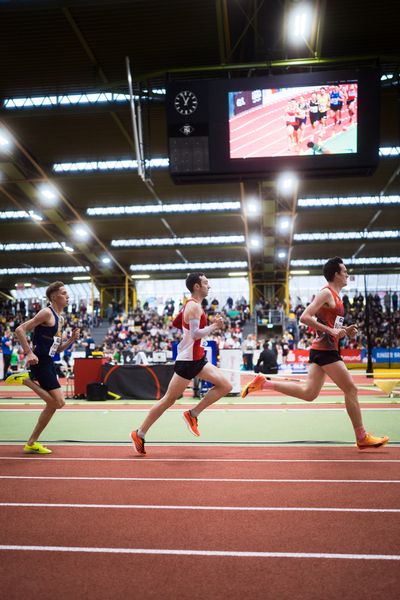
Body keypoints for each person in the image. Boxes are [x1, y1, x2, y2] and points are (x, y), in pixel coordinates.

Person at [242, 257, 389, 450]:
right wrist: (331, 332)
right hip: (325, 351)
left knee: (309, 393)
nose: (347, 274)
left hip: (323, 350)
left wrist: (345, 329)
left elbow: (330, 327)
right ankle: (361, 436)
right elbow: (304, 317)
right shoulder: (326, 293)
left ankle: (265, 383)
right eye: (344, 271)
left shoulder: (337, 298)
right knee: (351, 389)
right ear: (336, 274)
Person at [130, 272, 232, 454]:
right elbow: (195, 334)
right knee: (168, 400)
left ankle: (192, 414)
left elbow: (178, 323)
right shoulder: (193, 307)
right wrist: (214, 327)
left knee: (225, 385)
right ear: (197, 286)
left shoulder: (190, 305)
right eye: (206, 283)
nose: (209, 286)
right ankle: (140, 433)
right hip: (187, 361)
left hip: (197, 358)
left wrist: (188, 332)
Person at [5, 281, 80, 454]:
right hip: (39, 362)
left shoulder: (60, 319)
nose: (67, 296)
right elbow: (20, 329)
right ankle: (25, 380)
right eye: (63, 293)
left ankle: (31, 443)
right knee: (59, 403)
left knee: (52, 406)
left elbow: (57, 348)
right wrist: (28, 352)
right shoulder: (46, 312)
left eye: (67, 293)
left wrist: (71, 340)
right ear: (54, 297)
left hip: (49, 362)